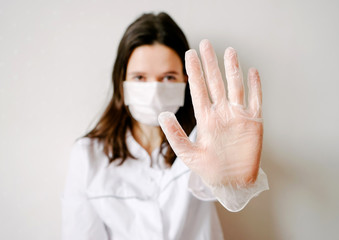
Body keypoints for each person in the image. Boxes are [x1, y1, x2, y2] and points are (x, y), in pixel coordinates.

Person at [62, 12, 269, 240]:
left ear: (185, 80)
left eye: (168, 77)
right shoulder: (88, 155)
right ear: (121, 82)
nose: (154, 91)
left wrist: (235, 183)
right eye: (140, 77)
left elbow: (226, 193)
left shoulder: (206, 140)